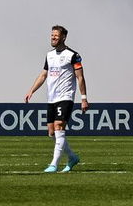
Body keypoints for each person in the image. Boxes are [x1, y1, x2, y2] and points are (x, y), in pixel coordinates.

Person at [24, 25, 88, 172]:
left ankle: (54, 164)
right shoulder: (49, 55)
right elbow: (43, 75)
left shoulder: (73, 55)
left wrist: (84, 98)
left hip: (65, 96)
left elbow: (80, 77)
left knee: (59, 125)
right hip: (51, 98)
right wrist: (31, 90)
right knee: (52, 132)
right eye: (51, 35)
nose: (53, 38)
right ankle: (72, 157)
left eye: (56, 35)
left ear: (63, 37)